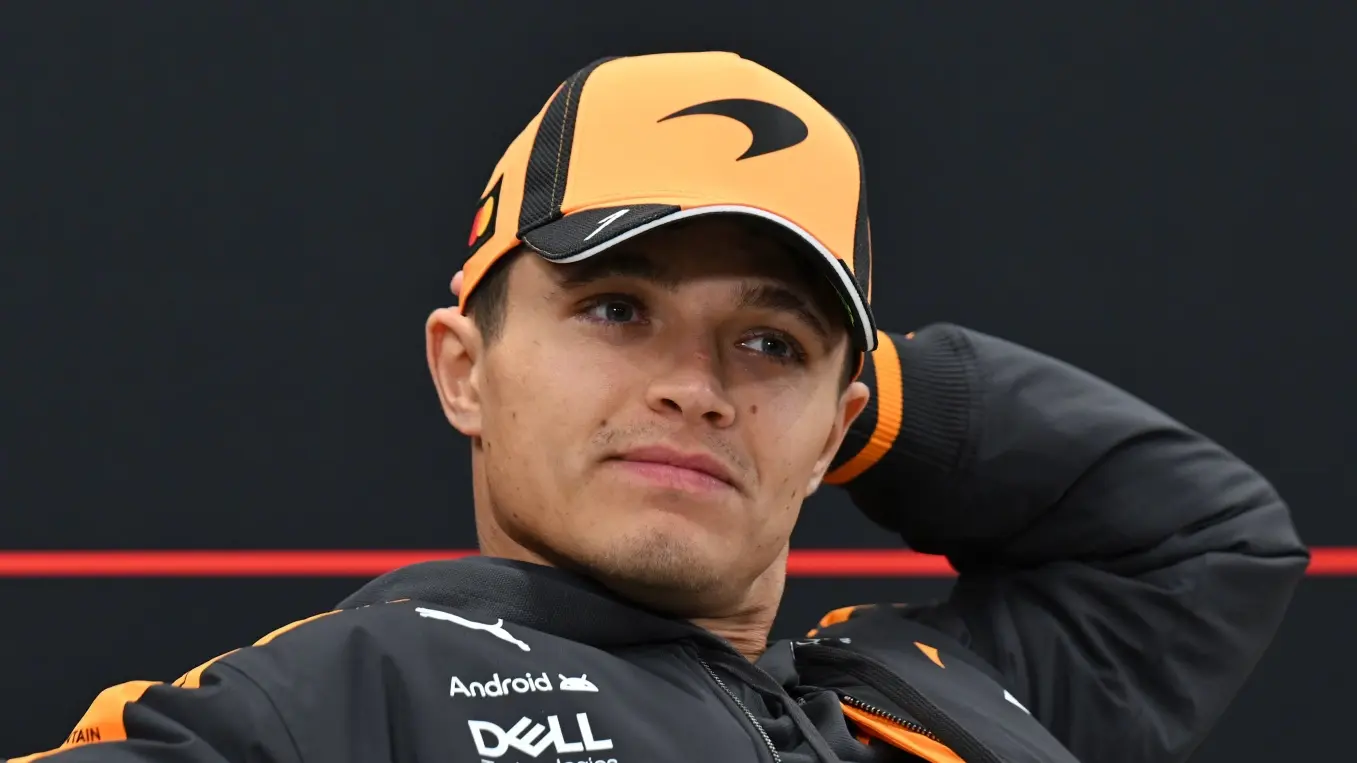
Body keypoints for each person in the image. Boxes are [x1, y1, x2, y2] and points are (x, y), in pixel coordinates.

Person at [10, 51, 1307, 763]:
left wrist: (855, 400)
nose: (698, 384)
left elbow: (1206, 542)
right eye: (617, 309)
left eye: (769, 341)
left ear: (839, 424)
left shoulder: (935, 695)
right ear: (465, 367)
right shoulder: (339, 706)